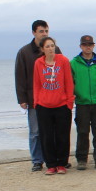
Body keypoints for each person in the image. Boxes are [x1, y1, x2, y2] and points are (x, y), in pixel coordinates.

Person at [14, 20, 61, 171]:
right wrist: (21, 99)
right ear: (34, 32)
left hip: (53, 98)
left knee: (51, 131)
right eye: (41, 31)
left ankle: (52, 160)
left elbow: (62, 72)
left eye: (46, 31)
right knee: (35, 132)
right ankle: (36, 160)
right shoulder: (25, 52)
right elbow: (20, 76)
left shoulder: (56, 49)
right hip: (33, 98)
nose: (45, 34)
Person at [70, 35, 96, 171]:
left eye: (90, 45)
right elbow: (70, 83)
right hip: (82, 103)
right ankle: (82, 160)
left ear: (94, 46)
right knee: (82, 132)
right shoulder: (74, 63)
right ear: (81, 46)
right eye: (85, 45)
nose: (87, 47)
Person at [32, 37, 74, 175]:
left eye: (52, 46)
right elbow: (37, 84)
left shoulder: (63, 61)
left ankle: (61, 163)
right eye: (48, 46)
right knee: (46, 136)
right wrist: (37, 102)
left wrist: (69, 102)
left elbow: (68, 82)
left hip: (62, 105)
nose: (51, 49)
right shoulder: (38, 63)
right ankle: (51, 164)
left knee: (62, 135)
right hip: (44, 106)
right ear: (42, 49)